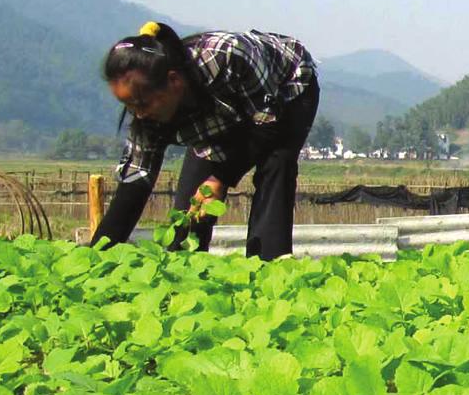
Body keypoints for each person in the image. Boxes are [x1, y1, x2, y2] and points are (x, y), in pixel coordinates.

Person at [91, 22, 320, 259]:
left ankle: (269, 262)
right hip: (220, 113)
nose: (137, 113)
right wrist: (97, 256)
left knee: (276, 162)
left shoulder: (226, 57)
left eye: (142, 104)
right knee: (192, 208)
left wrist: (221, 177)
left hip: (285, 90)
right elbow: (134, 185)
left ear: (174, 81)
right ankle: (186, 269)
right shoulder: (147, 112)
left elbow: (266, 123)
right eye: (128, 105)